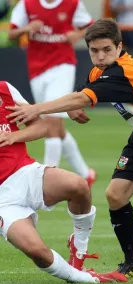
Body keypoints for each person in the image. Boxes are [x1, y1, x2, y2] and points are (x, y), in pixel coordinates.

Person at [6, 18, 133, 280]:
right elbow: (85, 91)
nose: (100, 56)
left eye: (106, 50)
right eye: (94, 51)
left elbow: (82, 96)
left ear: (120, 47)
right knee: (114, 195)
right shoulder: (102, 71)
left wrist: (36, 108)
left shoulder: (124, 71)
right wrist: (75, 105)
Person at [0, 80, 127, 284]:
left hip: (23, 173)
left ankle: (79, 251)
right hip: (2, 200)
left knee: (78, 185)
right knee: (38, 252)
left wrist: (14, 136)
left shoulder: (5, 90)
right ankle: (85, 278)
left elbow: (41, 126)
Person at [8, 0, 97, 187]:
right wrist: (27, 28)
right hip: (37, 68)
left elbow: (91, 26)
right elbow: (11, 34)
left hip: (63, 64)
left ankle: (49, 178)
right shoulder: (27, 5)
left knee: (51, 120)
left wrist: (77, 34)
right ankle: (85, 173)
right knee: (56, 126)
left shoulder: (72, 4)